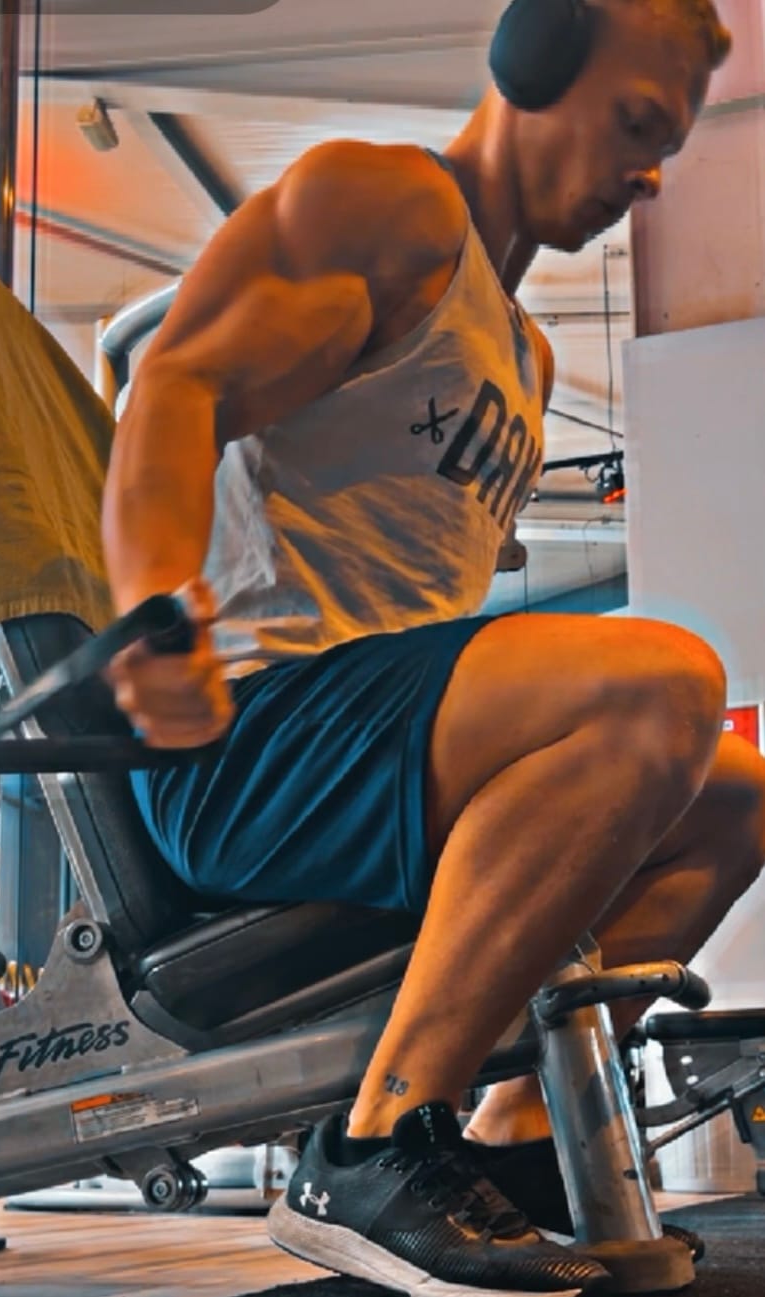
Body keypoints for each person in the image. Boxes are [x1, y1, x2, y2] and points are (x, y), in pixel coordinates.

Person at [102, 0, 765, 1292]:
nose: (647, 176)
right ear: (532, 65)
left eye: (667, 148)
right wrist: (154, 610)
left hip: (378, 750)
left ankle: (509, 1144)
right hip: (250, 742)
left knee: (738, 796)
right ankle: (365, 1150)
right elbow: (178, 383)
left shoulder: (518, 350)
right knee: (661, 684)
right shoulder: (385, 205)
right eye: (636, 124)